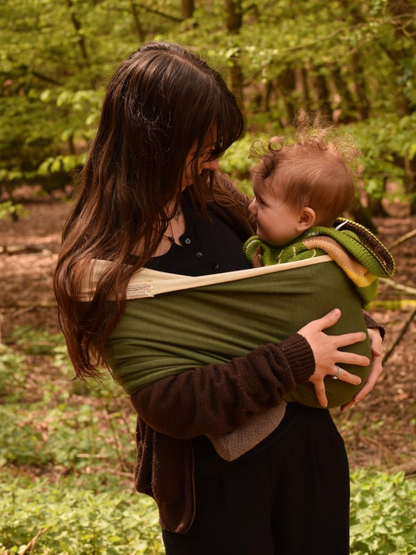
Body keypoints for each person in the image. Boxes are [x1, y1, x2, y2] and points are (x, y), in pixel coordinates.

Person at [54, 42, 384, 555]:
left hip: (308, 456)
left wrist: (366, 335)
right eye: (200, 146)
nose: (212, 160)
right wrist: (295, 359)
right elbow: (167, 403)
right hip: (213, 483)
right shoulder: (102, 262)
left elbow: (298, 276)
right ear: (153, 141)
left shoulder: (214, 196)